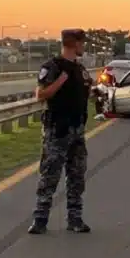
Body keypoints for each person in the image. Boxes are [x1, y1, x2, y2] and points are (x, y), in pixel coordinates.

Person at [28, 29, 92, 234]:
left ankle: (75, 219)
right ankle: (40, 220)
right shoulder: (53, 67)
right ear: (74, 43)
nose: (84, 47)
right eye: (82, 43)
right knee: (50, 174)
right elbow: (41, 94)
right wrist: (61, 80)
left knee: (77, 176)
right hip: (57, 130)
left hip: (77, 130)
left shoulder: (81, 70)